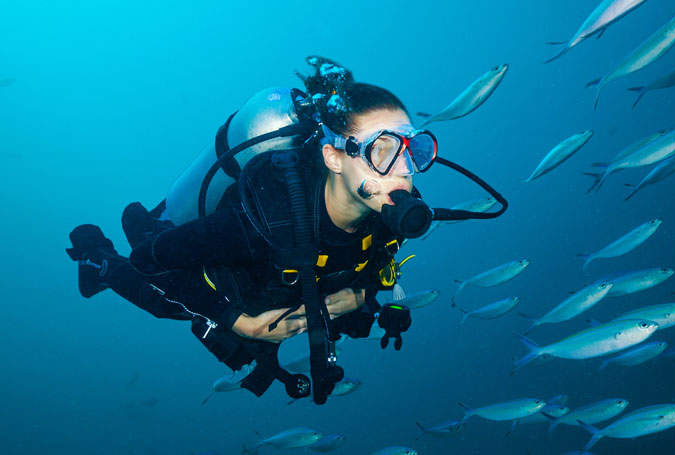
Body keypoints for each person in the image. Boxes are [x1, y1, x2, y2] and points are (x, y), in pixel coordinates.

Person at [65, 57, 507, 404]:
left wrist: (367, 297)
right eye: (383, 150)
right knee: (160, 299)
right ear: (334, 157)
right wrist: (242, 324)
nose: (404, 172)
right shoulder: (262, 221)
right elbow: (149, 262)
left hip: (289, 290)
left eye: (413, 150)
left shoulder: (386, 207)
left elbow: (378, 265)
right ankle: (97, 256)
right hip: (228, 284)